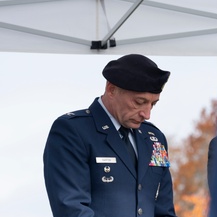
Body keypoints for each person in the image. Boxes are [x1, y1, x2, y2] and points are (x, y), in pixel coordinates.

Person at [43, 54, 177, 217]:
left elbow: (164, 210)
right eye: (139, 102)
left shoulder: (154, 138)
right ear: (111, 89)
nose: (147, 114)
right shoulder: (73, 130)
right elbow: (72, 209)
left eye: (153, 104)